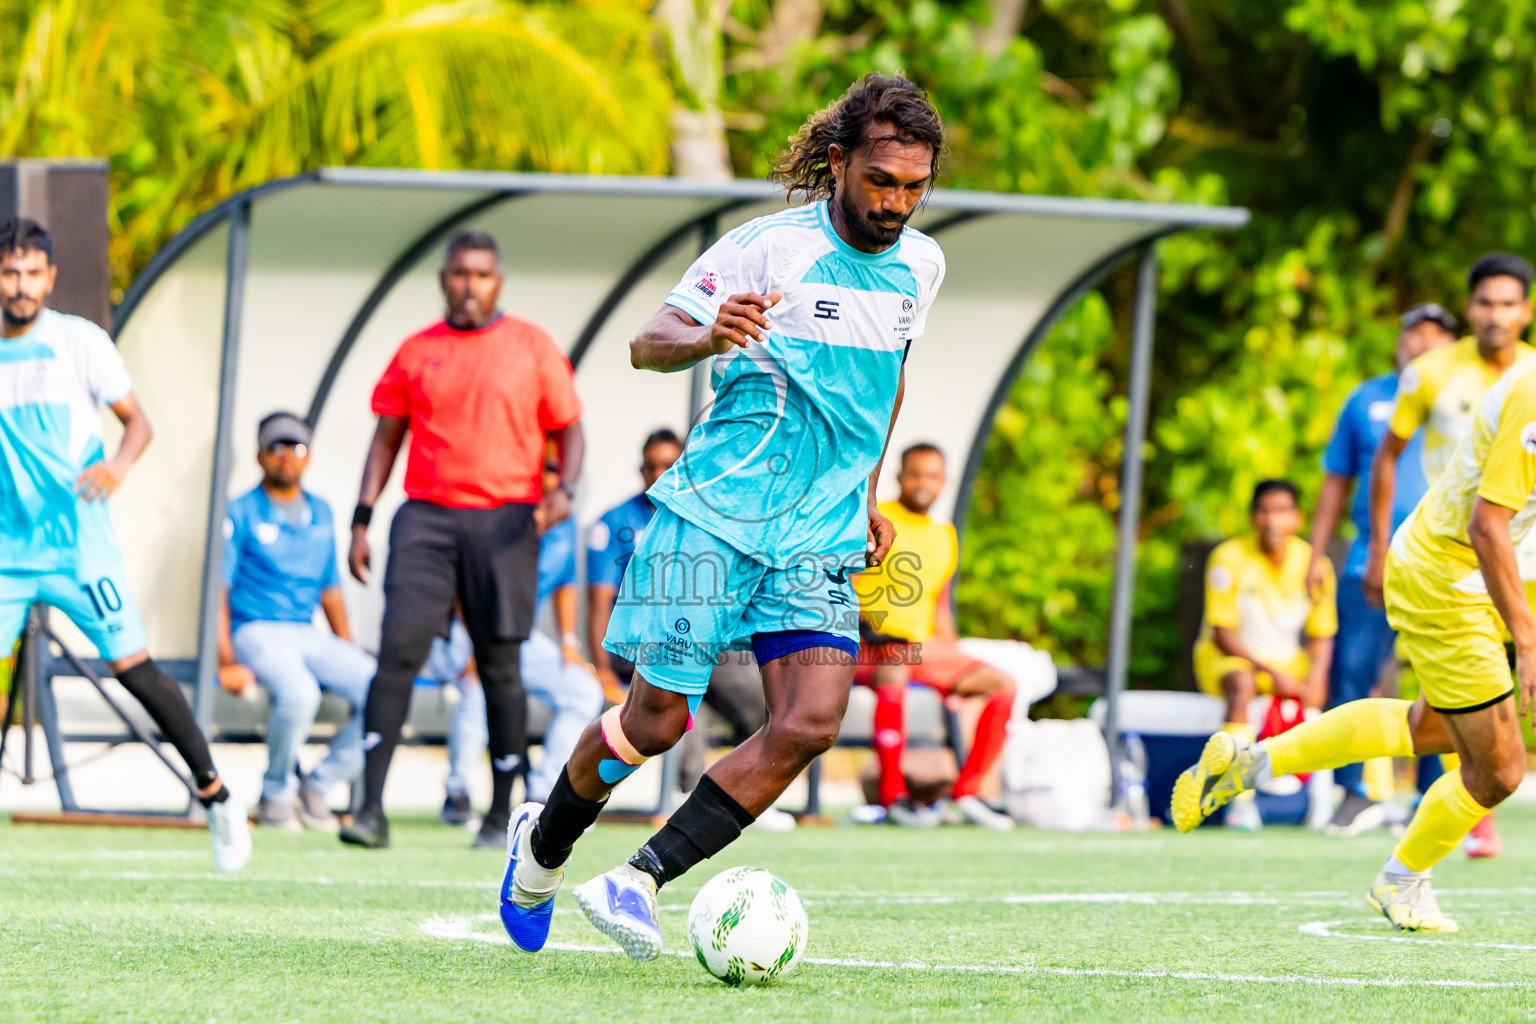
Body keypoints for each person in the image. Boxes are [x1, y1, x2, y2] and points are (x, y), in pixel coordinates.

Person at [498, 73, 947, 961]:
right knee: (655, 722)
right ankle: (540, 851)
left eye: (914, 186)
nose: (896, 202)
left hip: (817, 534)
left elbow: (889, 380)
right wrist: (708, 336)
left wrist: (864, 493)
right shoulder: (766, 250)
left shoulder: (923, 267)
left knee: (813, 722)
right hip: (714, 515)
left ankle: (639, 878)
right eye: (880, 180)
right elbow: (645, 342)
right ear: (838, 162)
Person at [1173, 349, 1536, 933]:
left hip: (1472, 570)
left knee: (1434, 728)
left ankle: (1252, 762)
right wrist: (1528, 639)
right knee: (1498, 770)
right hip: (1449, 573)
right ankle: (1401, 880)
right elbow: (1487, 524)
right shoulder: (1532, 395)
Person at [0, 217, 250, 870]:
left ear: (50, 278)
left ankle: (217, 796)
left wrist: (117, 466)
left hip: (81, 546)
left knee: (133, 669)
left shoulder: (80, 343)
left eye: (31, 273)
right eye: (9, 273)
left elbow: (138, 423)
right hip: (8, 550)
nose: (20, 286)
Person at [340, 230, 585, 850]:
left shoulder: (531, 346)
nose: (468, 284)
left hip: (506, 521)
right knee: (397, 651)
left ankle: (504, 809)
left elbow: (570, 430)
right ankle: (368, 808)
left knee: (499, 665)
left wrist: (565, 492)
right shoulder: (416, 351)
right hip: (425, 519)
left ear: (496, 281)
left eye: (480, 274)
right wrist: (363, 517)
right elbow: (385, 438)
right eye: (458, 274)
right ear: (443, 279)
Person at [1362, 253, 1536, 857]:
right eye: (1486, 302)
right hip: (1444, 555)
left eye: (1509, 303)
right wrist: (1378, 547)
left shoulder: (1533, 373)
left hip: (1513, 557)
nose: (1497, 314)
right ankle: (1431, 829)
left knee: (1441, 719)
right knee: (1476, 733)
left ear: (1527, 310)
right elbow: (1385, 458)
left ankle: (1265, 758)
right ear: (1470, 308)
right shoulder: (1432, 372)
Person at [587, 429, 791, 828]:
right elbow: (598, 602)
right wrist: (603, 670)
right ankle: (690, 798)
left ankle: (752, 794)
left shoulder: (712, 514)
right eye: (652, 465)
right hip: (639, 645)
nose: (660, 472)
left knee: (766, 702)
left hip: (707, 644)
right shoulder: (616, 521)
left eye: (669, 464)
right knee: (679, 705)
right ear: (641, 469)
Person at [1307, 305, 1456, 835]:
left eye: (1435, 336)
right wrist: (1316, 553)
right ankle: (1354, 792)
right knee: (1352, 672)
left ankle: (1429, 796)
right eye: (1413, 332)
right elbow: (1335, 480)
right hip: (1368, 562)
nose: (1421, 343)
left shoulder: (1464, 401)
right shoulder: (1366, 399)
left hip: (1443, 566)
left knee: (1439, 682)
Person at [217, 412, 375, 832]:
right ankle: (275, 795)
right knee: (300, 694)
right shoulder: (240, 509)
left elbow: (331, 590)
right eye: (277, 447)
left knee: (382, 687)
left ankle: (319, 785)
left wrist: (348, 648)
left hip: (308, 633)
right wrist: (224, 659)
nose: (287, 456)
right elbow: (219, 588)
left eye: (296, 447)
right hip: (256, 630)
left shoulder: (321, 510)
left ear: (309, 457)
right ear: (259, 456)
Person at [852, 443, 1015, 831]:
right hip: (868, 645)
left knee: (1002, 685)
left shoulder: (945, 535)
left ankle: (969, 795)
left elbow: (939, 608)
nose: (924, 483)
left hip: (919, 649)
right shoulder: (877, 519)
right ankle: (894, 800)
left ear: (944, 482)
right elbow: (847, 585)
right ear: (900, 476)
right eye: (916, 473)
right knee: (895, 666)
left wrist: (954, 668)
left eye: (933, 475)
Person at [437, 457, 604, 833]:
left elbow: (566, 583)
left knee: (583, 690)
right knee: (480, 689)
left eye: (556, 471)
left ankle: (545, 793)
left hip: (518, 635)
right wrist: (479, 646)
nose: (550, 479)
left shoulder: (566, 521)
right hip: (465, 630)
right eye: (544, 468)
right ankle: (457, 793)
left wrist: (567, 642)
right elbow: (465, 585)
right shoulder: (500, 513)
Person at [1191, 479, 1336, 828]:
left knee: (1325, 691)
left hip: (1287, 662)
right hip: (1232, 659)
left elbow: (1322, 634)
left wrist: (1316, 676)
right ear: (1253, 517)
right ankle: (1239, 801)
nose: (1272, 520)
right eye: (1264, 511)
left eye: (1282, 511)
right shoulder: (1228, 558)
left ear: (1298, 519)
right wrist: (1271, 674)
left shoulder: (1315, 564)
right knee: (1242, 684)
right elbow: (1222, 635)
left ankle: (1323, 801)